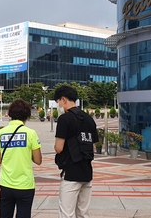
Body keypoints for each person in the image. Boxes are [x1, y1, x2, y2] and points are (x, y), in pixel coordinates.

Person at [54, 85, 98, 218]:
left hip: (71, 172)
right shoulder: (88, 118)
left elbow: (59, 148)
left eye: (58, 102)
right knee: (83, 213)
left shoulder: (64, 119)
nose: (59, 105)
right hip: (86, 171)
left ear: (63, 99)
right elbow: (93, 146)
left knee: (66, 213)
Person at [0, 99, 42, 218]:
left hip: (6, 184)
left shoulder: (0, 133)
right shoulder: (31, 133)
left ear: (10, 114)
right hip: (25, 185)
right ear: (27, 115)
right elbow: (38, 160)